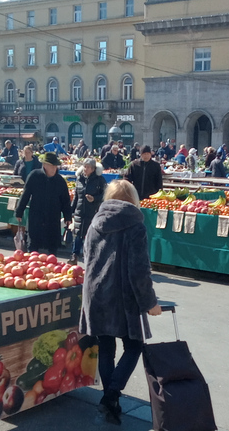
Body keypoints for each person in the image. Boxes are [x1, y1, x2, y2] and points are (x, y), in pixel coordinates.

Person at [79, 179, 162, 424]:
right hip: (123, 296)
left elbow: (88, 258)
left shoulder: (95, 221)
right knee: (134, 345)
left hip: (96, 292)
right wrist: (150, 302)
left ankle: (110, 400)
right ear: (133, 200)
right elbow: (139, 271)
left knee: (106, 348)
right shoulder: (135, 225)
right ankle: (111, 394)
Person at [15, 152, 72, 254]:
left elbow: (65, 201)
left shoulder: (60, 181)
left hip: (53, 217)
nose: (54, 168)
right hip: (36, 216)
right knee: (33, 246)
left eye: (55, 166)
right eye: (52, 165)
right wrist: (19, 211)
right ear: (44, 165)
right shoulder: (34, 176)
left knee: (52, 246)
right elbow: (25, 195)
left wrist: (68, 216)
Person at [70, 158, 107, 264]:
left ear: (93, 169)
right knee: (78, 234)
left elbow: (105, 195)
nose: (86, 169)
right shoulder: (79, 179)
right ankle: (74, 256)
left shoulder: (100, 180)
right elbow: (76, 197)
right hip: (80, 211)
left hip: (93, 211)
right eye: (85, 166)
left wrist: (94, 199)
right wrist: (71, 211)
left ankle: (91, 257)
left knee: (91, 235)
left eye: (88, 167)